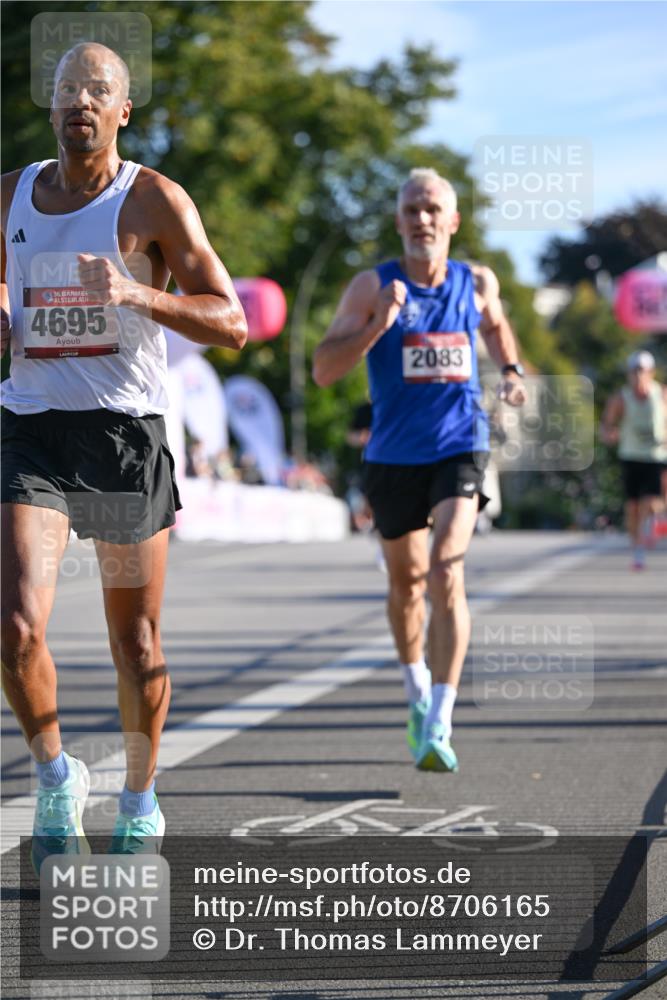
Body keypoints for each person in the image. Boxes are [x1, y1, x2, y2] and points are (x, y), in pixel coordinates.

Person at [1, 43, 247, 870]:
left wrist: (137, 292)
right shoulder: (10, 196)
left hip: (123, 434)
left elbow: (232, 320)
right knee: (15, 624)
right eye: (67, 86)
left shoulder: (154, 200)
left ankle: (140, 800)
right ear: (51, 104)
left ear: (122, 111)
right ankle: (53, 782)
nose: (80, 99)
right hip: (31, 424)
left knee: (135, 644)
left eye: (97, 89)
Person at [313, 168, 526, 772]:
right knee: (405, 584)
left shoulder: (476, 280)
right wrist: (378, 323)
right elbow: (324, 370)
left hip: (461, 445)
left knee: (444, 569)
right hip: (392, 456)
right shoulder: (368, 286)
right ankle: (414, 691)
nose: (422, 220)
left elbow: (496, 323)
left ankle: (441, 714)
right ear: (399, 221)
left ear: (452, 220)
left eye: (433, 209)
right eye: (411, 210)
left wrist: (509, 372)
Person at [600, 350, 667, 570]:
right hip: (630, 456)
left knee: (651, 501)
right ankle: (637, 550)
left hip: (656, 456)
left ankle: (652, 525)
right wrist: (609, 434)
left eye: (642, 370)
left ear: (651, 372)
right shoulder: (621, 398)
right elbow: (607, 425)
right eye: (634, 371)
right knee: (632, 507)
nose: (638, 375)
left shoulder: (662, 394)